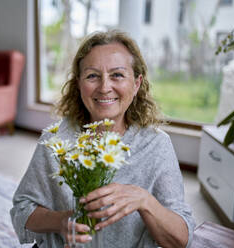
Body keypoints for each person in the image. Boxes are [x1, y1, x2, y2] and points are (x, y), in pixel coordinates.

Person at [10, 30, 195, 248]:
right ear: (79, 84)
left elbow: (181, 239)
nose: (105, 87)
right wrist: (61, 221)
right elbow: (22, 208)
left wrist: (145, 201)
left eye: (117, 75)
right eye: (92, 76)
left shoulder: (157, 145)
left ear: (136, 84)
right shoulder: (55, 141)